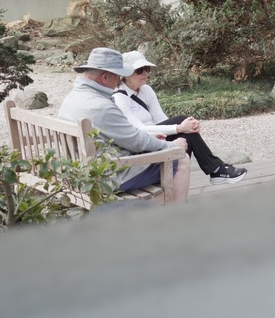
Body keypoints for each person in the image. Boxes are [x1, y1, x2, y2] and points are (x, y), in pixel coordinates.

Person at [56, 47, 190, 202]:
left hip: (81, 172)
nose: (119, 82)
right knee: (181, 158)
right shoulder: (101, 107)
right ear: (105, 77)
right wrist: (172, 146)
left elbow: (122, 133)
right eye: (118, 78)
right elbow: (136, 142)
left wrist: (151, 138)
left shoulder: (72, 98)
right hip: (107, 178)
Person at [114, 50, 247, 185]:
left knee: (185, 135)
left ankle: (206, 174)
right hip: (140, 146)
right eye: (140, 70)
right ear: (126, 74)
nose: (145, 73)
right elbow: (140, 130)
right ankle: (216, 169)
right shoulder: (119, 98)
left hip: (157, 138)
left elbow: (161, 119)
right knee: (182, 123)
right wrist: (179, 127)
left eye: (147, 69)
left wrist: (185, 128)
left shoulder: (146, 90)